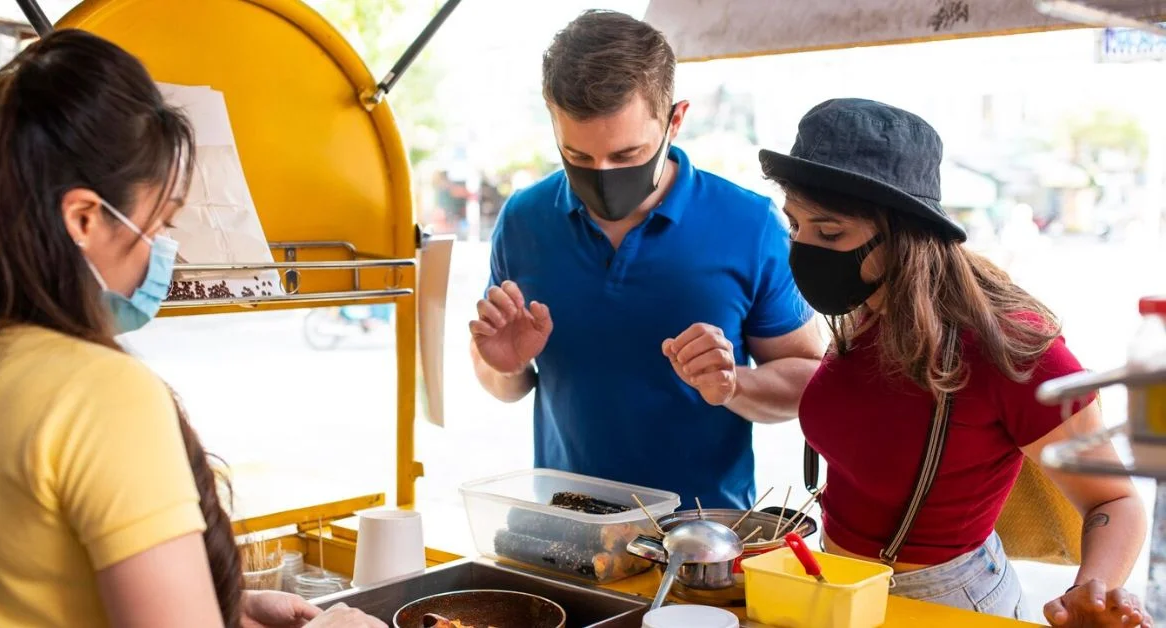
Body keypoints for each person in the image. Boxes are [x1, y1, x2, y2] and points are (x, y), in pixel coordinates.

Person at [0, 29, 385, 628]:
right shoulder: (100, 394)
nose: (166, 250)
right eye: (159, 221)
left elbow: (40, 585)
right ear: (83, 217)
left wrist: (224, 608)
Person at [761, 98, 1149, 626]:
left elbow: (1114, 501)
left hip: (942, 600)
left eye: (829, 233)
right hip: (838, 586)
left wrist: (1092, 590)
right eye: (794, 225)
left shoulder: (1008, 346)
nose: (803, 249)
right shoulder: (864, 309)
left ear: (905, 235)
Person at [468, 10, 824, 509]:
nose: (603, 174)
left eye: (627, 154)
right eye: (579, 157)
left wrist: (731, 383)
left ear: (675, 121)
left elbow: (809, 376)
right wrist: (504, 366)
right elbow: (504, 381)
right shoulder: (524, 220)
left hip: (700, 541)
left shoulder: (748, 224)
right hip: (564, 528)